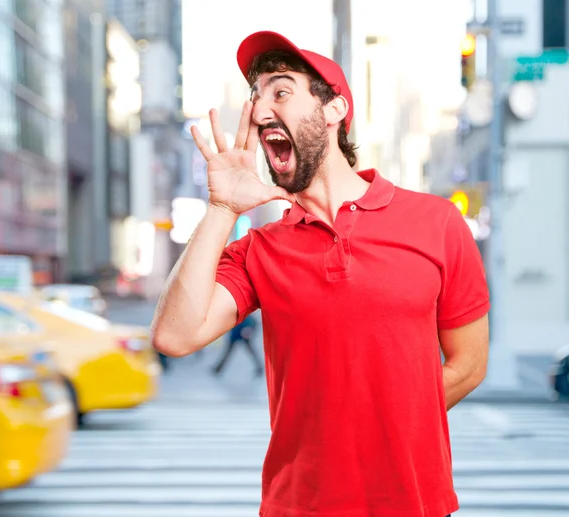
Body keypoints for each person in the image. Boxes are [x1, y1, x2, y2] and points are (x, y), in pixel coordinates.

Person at [151, 30, 489, 517]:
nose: (262, 110)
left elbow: (469, 364)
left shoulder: (436, 222)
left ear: (334, 110)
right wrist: (222, 208)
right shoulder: (259, 250)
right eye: (256, 96)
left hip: (416, 505)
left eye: (281, 91)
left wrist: (386, 437)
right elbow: (174, 336)